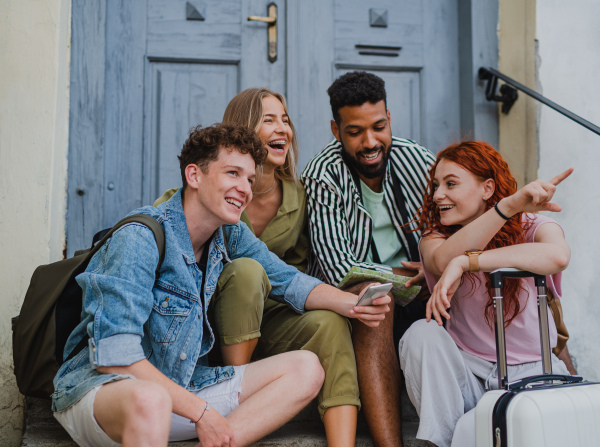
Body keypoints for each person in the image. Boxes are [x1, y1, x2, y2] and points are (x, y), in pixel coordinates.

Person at [52, 123, 390, 447]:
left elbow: (288, 280)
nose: (245, 188)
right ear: (194, 175)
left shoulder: (229, 233)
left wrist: (352, 304)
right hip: (105, 394)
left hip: (181, 389)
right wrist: (202, 412)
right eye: (232, 173)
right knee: (150, 398)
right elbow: (116, 357)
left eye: (249, 178)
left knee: (306, 369)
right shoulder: (140, 238)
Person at [155, 88, 366, 446]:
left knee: (330, 321)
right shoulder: (187, 204)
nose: (283, 128)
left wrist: (352, 302)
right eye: (269, 119)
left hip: (274, 316)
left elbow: (290, 275)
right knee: (247, 273)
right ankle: (237, 392)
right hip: (209, 328)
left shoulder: (300, 195)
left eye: (285, 119)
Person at [398, 141, 573, 447]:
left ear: (487, 188)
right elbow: (441, 260)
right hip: (469, 374)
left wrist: (469, 262)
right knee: (419, 335)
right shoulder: (434, 238)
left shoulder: (530, 226)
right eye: (436, 185)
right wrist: (506, 207)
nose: (438, 194)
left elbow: (557, 256)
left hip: (533, 373)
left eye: (451, 184)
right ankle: (447, 441)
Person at [302, 71, 435, 447]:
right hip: (351, 308)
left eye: (378, 126)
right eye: (355, 132)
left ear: (389, 118)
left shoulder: (419, 162)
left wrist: (437, 269)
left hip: (422, 292)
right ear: (335, 129)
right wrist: (411, 276)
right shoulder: (323, 175)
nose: (370, 142)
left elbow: (457, 227)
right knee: (375, 296)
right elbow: (339, 269)